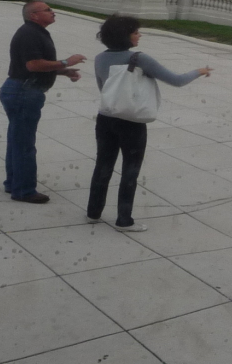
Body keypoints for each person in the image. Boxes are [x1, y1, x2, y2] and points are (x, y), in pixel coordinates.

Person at [88, 14, 212, 228]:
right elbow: (176, 80)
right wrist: (199, 71)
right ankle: (124, 220)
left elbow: (104, 89)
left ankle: (93, 212)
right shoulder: (139, 59)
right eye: (136, 32)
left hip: (106, 118)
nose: (140, 35)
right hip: (132, 121)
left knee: (103, 165)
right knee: (130, 170)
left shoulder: (99, 58)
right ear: (125, 36)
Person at [0, 1, 85, 204]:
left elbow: (34, 64)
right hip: (24, 91)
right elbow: (33, 65)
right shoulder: (30, 34)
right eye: (47, 10)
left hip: (21, 90)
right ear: (34, 15)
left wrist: (63, 72)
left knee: (17, 140)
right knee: (24, 144)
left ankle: (14, 182)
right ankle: (24, 190)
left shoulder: (35, 32)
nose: (53, 12)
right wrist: (66, 62)